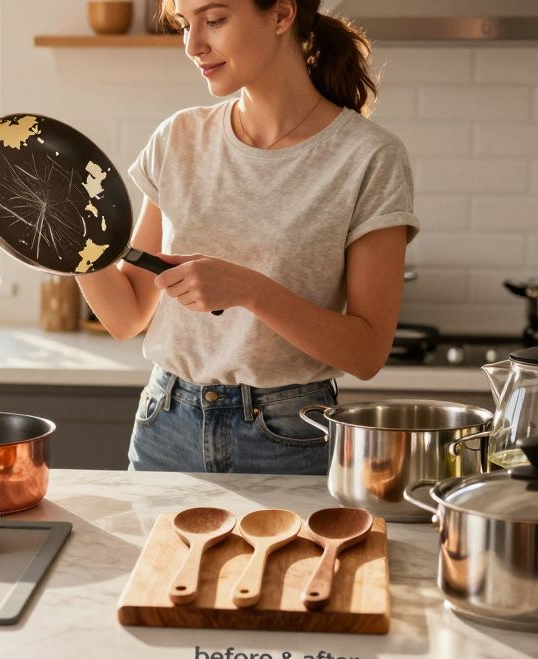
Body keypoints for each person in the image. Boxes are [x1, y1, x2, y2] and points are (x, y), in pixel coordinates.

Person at [76, 0, 419, 475]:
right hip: (165, 424)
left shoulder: (367, 157)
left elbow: (366, 353)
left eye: (214, 20)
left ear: (281, 14)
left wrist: (250, 291)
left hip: (289, 437)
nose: (193, 45)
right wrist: (71, 243)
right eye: (184, 24)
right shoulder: (179, 138)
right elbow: (127, 315)